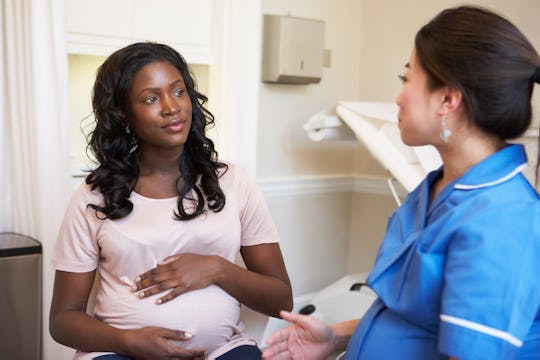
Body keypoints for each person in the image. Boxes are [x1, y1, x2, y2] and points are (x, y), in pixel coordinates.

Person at [262, 5, 540, 360]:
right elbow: (410, 315)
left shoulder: (503, 218)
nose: (398, 96)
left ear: (448, 99)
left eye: (406, 78)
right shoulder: (437, 188)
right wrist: (335, 337)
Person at [50, 42, 293, 360]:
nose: (171, 107)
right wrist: (129, 342)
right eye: (151, 98)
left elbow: (281, 300)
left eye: (178, 92)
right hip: (120, 354)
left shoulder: (234, 183)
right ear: (122, 112)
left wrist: (218, 268)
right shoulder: (94, 195)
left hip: (223, 351)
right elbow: (63, 320)